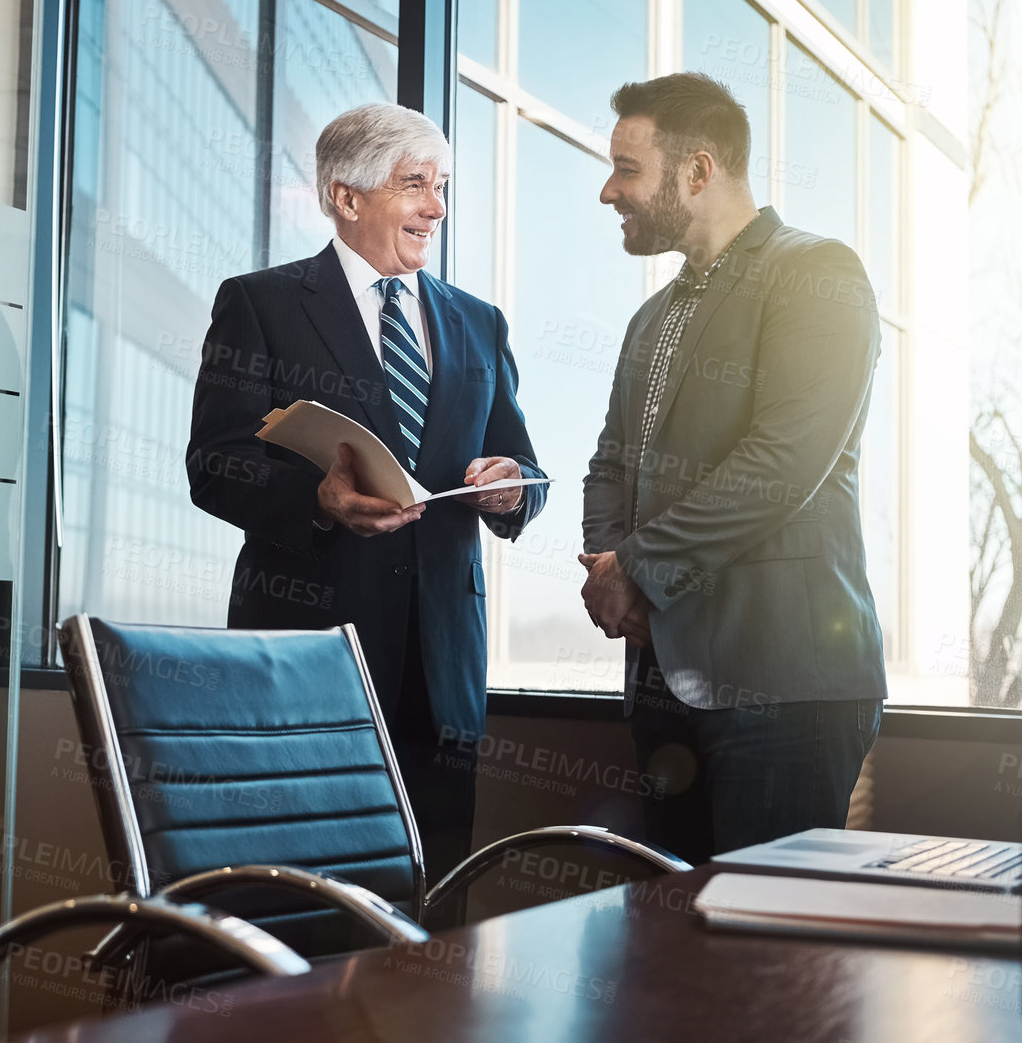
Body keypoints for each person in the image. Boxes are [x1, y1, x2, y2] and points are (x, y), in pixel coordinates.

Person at [186, 102, 547, 887]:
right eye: (415, 185)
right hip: (307, 650)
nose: (437, 208)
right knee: (301, 891)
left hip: (443, 662)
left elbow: (523, 464)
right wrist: (321, 500)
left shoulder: (478, 323)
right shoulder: (260, 304)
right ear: (345, 198)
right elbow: (215, 463)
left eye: (442, 186)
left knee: (434, 895)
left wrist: (511, 490)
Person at [580, 72, 885, 864]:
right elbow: (610, 461)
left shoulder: (818, 272)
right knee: (674, 959)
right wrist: (609, 572)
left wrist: (637, 569)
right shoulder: (652, 316)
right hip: (661, 685)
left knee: (774, 968)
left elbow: (783, 464)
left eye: (626, 167)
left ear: (698, 171)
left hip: (785, 690)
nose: (608, 191)